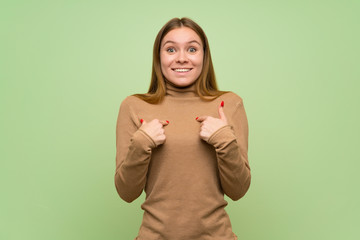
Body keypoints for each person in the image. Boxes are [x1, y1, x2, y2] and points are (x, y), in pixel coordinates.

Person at [114, 17, 251, 240]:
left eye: (192, 49)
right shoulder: (133, 106)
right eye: (170, 49)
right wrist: (141, 144)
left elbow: (239, 190)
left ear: (204, 56)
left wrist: (225, 139)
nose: (181, 58)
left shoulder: (229, 104)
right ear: (159, 57)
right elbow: (126, 192)